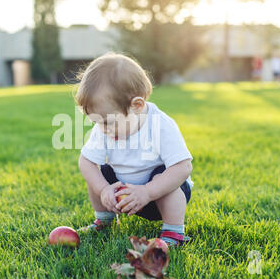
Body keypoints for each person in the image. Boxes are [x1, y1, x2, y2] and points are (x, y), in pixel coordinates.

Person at [75, 53, 193, 247]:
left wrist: (148, 192)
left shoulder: (160, 124)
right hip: (124, 192)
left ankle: (173, 232)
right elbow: (86, 161)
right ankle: (103, 220)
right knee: (99, 173)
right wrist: (103, 189)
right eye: (96, 123)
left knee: (163, 175)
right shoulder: (104, 128)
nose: (103, 129)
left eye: (108, 123)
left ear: (137, 106)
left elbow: (183, 167)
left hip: (159, 194)